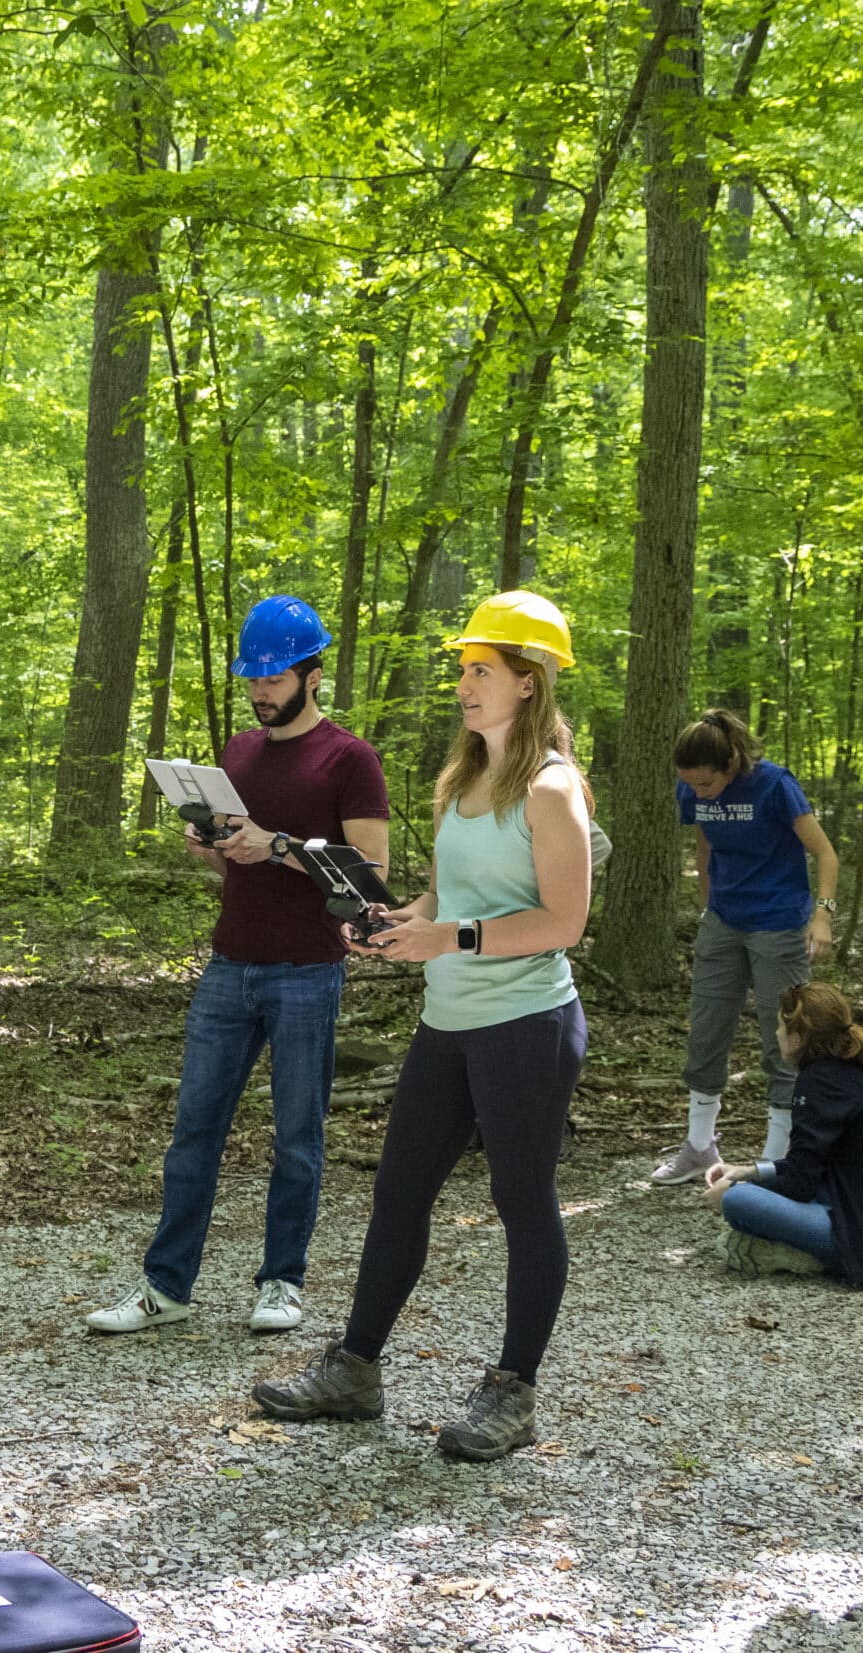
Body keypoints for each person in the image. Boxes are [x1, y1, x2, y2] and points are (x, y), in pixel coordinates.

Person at [251, 591, 591, 1464]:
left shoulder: (553, 789)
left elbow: (563, 922)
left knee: (523, 1203)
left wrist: (452, 936)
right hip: (449, 1017)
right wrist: (402, 926)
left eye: (481, 670)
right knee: (400, 1192)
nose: (464, 684)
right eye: (463, 668)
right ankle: (355, 1369)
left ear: (529, 681)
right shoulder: (458, 780)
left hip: (526, 1022)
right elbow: (447, 897)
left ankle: (513, 1391)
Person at [84, 595, 390, 1337]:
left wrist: (277, 845)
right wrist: (216, 843)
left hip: (308, 969)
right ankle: (167, 1286)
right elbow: (240, 851)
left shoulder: (350, 758)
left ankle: (282, 1282)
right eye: (252, 678)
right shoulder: (239, 751)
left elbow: (371, 874)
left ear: (313, 675)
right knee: (194, 1129)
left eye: (274, 678)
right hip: (229, 965)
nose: (260, 691)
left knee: (296, 1135)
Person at [651, 709, 839, 1186]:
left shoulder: (775, 785)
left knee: (785, 1036)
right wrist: (705, 908)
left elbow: (825, 852)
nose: (698, 793)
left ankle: (777, 1157)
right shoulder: (691, 789)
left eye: (706, 784)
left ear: (731, 763)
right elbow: (705, 846)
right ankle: (698, 1146)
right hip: (723, 921)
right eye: (689, 785)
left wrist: (823, 916)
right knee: (706, 1030)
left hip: (777, 923)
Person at [702, 982, 863, 1284]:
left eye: (780, 1027)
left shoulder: (818, 1082)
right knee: (749, 1189)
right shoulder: (861, 1071)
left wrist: (735, 1189)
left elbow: (800, 1184)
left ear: (798, 1039)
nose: (776, 1034)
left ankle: (800, 1258)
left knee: (738, 1202)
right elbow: (813, 1165)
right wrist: (749, 1171)